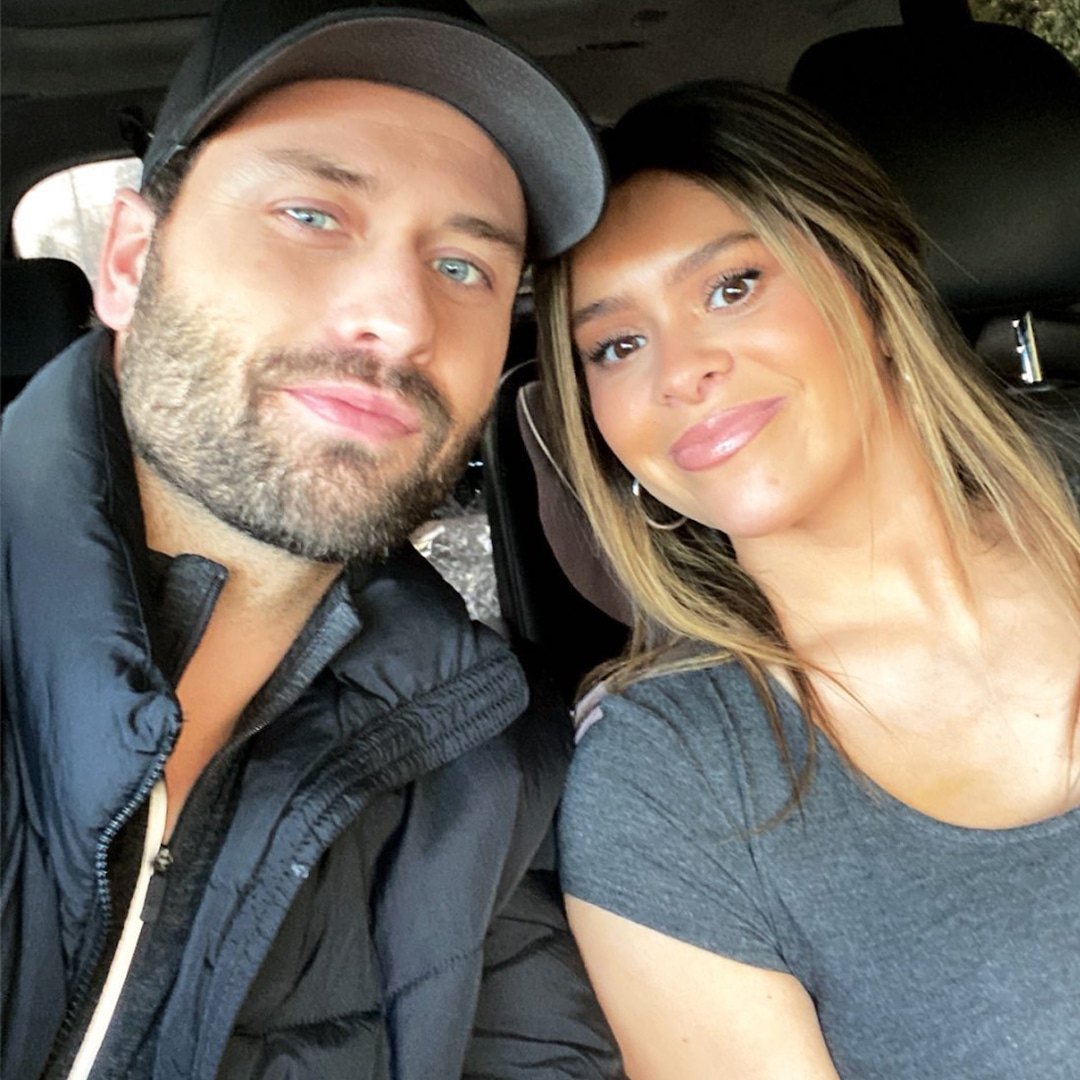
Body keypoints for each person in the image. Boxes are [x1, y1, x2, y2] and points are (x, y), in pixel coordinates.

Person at [0, 0, 624, 1077]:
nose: (401, 319)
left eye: (465, 268)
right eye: (312, 215)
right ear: (130, 261)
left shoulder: (493, 775)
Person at [534, 80, 1080, 1079]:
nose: (678, 371)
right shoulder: (669, 781)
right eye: (616, 345)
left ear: (872, 289)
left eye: (731, 286)